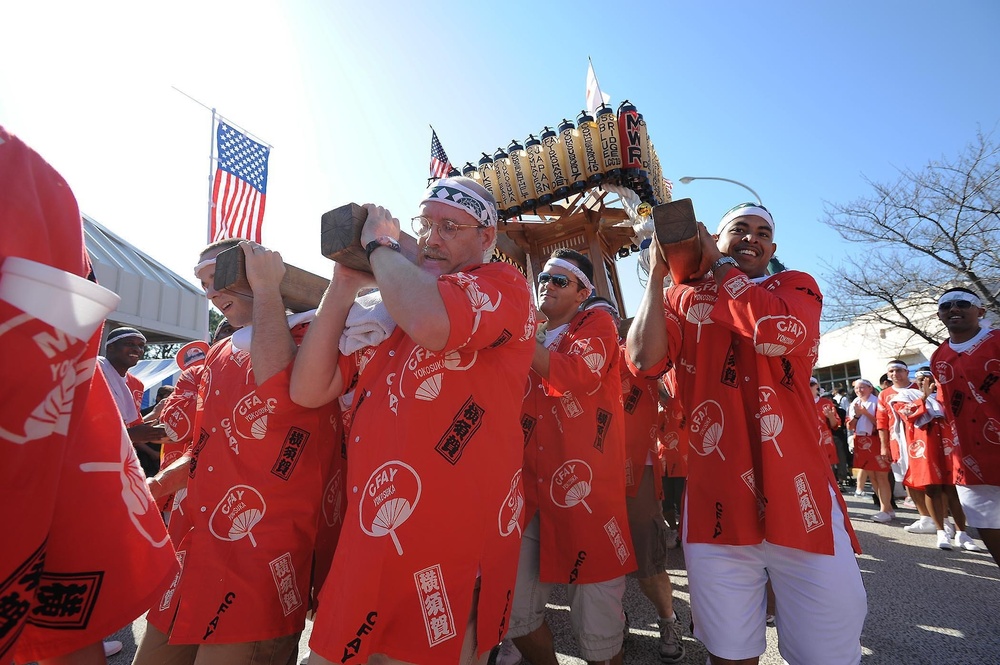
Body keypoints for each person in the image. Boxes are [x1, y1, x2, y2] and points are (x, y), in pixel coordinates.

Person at [289, 176, 536, 664]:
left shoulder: (502, 284)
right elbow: (309, 389)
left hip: (447, 557)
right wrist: (340, 289)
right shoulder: (387, 311)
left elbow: (432, 323)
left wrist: (382, 247)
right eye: (426, 225)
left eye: (450, 227)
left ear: (486, 238)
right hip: (369, 548)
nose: (431, 239)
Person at [627, 202, 866, 665]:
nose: (750, 238)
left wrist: (717, 266)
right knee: (729, 650)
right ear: (715, 238)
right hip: (717, 504)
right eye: (738, 230)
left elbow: (772, 330)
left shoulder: (795, 286)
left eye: (761, 232)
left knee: (829, 650)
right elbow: (642, 360)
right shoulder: (680, 297)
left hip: (801, 498)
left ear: (773, 248)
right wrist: (658, 278)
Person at [1, 124, 178, 664]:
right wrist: (142, 437)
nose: (139, 350)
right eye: (135, 343)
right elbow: (74, 433)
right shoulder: (93, 372)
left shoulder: (123, 382)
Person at [131, 238, 342, 664]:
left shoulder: (318, 333)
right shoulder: (220, 351)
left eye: (220, 278)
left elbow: (280, 385)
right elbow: (209, 445)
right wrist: (157, 484)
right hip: (195, 541)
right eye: (204, 284)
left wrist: (266, 289)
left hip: (262, 549)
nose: (211, 293)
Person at [510, 250, 636, 665]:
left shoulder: (596, 322)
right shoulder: (532, 332)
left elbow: (577, 375)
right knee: (514, 616)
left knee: (599, 637)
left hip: (589, 497)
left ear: (584, 291)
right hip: (528, 490)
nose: (547, 285)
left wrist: (520, 336)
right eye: (543, 278)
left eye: (560, 281)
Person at [930, 287, 1000, 565]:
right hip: (969, 454)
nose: (954, 309)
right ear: (939, 315)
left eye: (962, 303)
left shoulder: (996, 340)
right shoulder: (939, 356)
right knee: (986, 520)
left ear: (980, 311)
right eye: (946, 306)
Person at [894, 366, 980, 550]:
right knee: (932, 488)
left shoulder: (945, 396)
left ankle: (962, 533)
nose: (923, 382)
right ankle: (941, 531)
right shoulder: (905, 396)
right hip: (924, 447)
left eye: (927, 378)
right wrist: (923, 397)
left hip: (949, 446)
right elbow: (906, 414)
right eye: (919, 379)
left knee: (953, 489)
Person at [98, 326, 170, 477]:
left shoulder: (136, 384)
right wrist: (132, 435)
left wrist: (154, 427)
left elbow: (131, 427)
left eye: (141, 346)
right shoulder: (94, 371)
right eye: (130, 344)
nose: (137, 349)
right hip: (91, 457)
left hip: (120, 457)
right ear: (110, 347)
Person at [877, 360, 937, 533]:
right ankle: (924, 518)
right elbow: (882, 422)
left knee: (928, 479)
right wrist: (884, 446)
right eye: (891, 372)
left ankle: (940, 519)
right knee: (908, 479)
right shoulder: (884, 394)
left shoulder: (919, 388)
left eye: (898, 370)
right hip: (898, 442)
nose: (895, 374)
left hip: (921, 439)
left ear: (906, 371)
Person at [847, 379, 894, 517]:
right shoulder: (854, 403)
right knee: (872, 476)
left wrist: (865, 413)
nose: (859, 390)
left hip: (876, 440)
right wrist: (857, 415)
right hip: (861, 442)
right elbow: (849, 426)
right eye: (856, 388)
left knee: (881, 476)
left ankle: (885, 509)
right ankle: (887, 507)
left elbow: (881, 423)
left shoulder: (878, 401)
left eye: (862, 387)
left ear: (870, 388)